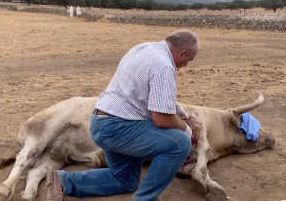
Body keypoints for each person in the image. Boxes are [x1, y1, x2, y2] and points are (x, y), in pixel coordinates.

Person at [46, 30, 200, 201]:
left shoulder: (144, 48)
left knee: (125, 180)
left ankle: (64, 181)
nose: (186, 65)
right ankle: (145, 198)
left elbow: (141, 89)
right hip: (119, 127)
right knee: (180, 143)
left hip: (101, 121)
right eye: (189, 60)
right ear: (182, 53)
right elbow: (162, 119)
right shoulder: (165, 66)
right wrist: (185, 128)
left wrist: (174, 107)